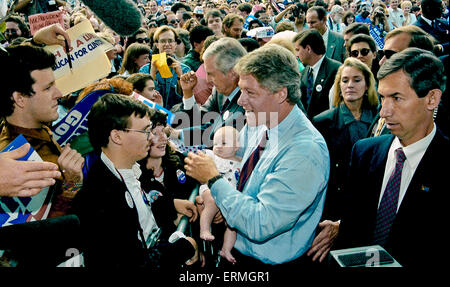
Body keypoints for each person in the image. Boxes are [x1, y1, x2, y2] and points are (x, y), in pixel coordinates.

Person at [184, 44, 329, 267]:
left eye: (250, 92)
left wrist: (213, 180)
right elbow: (242, 172)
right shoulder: (260, 122)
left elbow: (261, 223)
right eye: (241, 90)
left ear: (281, 93)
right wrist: (224, 204)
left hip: (269, 265)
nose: (241, 101)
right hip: (238, 251)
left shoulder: (305, 151)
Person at [334, 48, 448, 267]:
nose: (384, 112)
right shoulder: (364, 153)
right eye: (383, 97)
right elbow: (350, 235)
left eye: (397, 98)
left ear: (432, 98)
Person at [73, 93, 198, 268]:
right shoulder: (98, 199)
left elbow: (144, 211)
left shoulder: (135, 171)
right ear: (117, 136)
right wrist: (186, 246)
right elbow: (134, 265)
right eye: (146, 130)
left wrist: (170, 205)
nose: (150, 137)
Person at [0, 45, 84, 218]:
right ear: (20, 99)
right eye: (48, 88)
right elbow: (40, 234)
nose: (59, 94)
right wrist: (72, 185)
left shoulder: (36, 125)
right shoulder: (18, 162)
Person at [312, 57, 378, 221]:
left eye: (357, 80)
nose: (350, 85)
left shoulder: (380, 118)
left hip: (372, 200)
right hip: (336, 205)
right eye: (345, 80)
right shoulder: (323, 122)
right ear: (339, 86)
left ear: (367, 84)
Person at [171, 37, 247, 148]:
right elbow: (199, 121)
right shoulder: (219, 91)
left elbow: (216, 136)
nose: (207, 79)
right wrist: (188, 93)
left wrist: (178, 134)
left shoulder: (247, 101)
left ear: (233, 73)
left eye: (211, 74)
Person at [137, 110, 199, 241]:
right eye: (154, 133)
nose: (163, 138)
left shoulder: (178, 162)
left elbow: (197, 186)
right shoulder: (136, 178)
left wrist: (200, 201)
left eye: (163, 131)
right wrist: (172, 209)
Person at [198, 126, 241, 264]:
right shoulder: (211, 156)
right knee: (211, 201)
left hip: (228, 197)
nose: (218, 147)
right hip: (210, 190)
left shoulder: (241, 161)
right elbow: (194, 152)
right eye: (215, 143)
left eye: (223, 143)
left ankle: (226, 250)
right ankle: (204, 230)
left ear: (236, 146)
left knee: (232, 223)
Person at [139, 25, 191, 110]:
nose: (167, 44)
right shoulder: (145, 69)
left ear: (175, 44)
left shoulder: (185, 69)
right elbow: (144, 98)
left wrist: (179, 76)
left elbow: (186, 98)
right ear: (157, 44)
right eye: (163, 41)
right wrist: (152, 73)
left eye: (170, 41)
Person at [294, 29, 342, 119]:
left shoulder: (336, 70)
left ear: (308, 49)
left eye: (298, 50)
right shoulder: (303, 73)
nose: (296, 55)